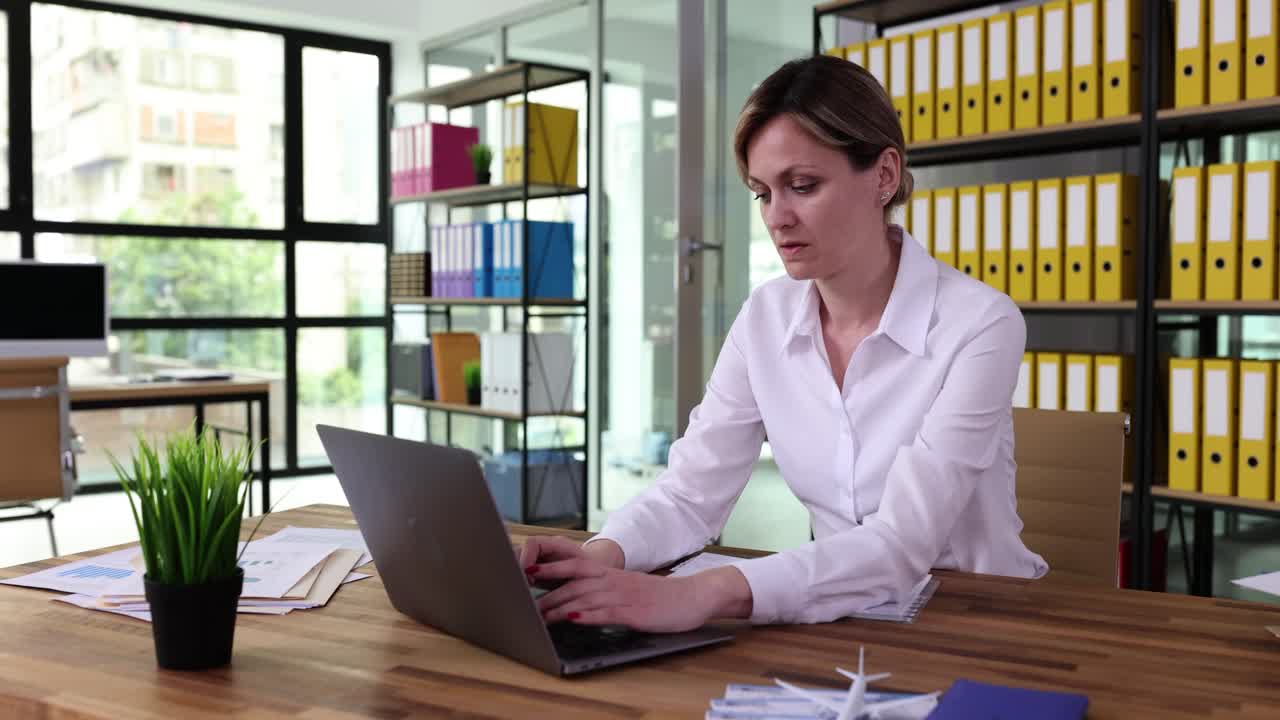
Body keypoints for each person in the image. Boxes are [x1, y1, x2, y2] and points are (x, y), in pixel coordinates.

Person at [520, 55, 1048, 631]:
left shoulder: (981, 323)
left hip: (978, 621)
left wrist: (700, 594)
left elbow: (901, 543)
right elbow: (692, 492)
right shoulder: (765, 319)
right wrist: (598, 559)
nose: (777, 217)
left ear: (884, 176)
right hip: (844, 616)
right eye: (762, 193)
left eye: (802, 186)